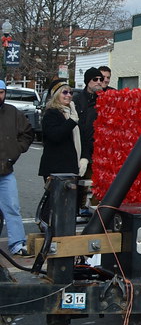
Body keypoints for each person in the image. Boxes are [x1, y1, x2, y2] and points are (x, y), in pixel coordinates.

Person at [0, 80, 36, 257]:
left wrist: (17, 149)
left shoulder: (13, 112)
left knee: (12, 208)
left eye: (1, 92)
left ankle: (16, 244)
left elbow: (28, 133)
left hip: (5, 171)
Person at [39, 79, 82, 223]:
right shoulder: (51, 114)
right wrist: (71, 122)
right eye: (65, 92)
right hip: (55, 167)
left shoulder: (72, 113)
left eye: (70, 92)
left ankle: (63, 230)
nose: (69, 95)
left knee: (68, 204)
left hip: (70, 165)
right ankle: (46, 227)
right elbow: (55, 136)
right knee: (54, 202)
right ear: (56, 95)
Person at [72, 67, 103, 218]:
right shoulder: (77, 100)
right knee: (79, 181)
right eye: (95, 79)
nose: (99, 82)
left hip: (98, 149)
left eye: (101, 79)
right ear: (87, 81)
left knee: (98, 182)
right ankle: (77, 209)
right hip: (80, 148)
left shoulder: (104, 99)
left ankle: (95, 212)